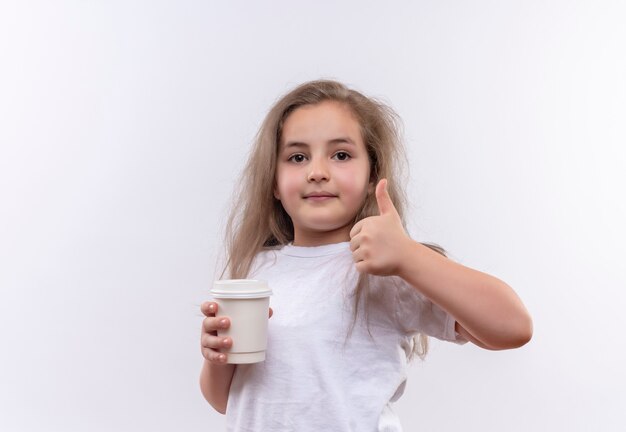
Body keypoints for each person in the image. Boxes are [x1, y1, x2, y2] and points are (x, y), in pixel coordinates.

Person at [199, 79, 533, 431]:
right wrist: (216, 358)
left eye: (341, 155)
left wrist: (408, 257)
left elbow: (513, 327)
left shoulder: (385, 269)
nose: (317, 172)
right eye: (297, 157)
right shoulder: (258, 269)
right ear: (273, 182)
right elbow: (226, 401)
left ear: (372, 175)